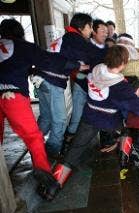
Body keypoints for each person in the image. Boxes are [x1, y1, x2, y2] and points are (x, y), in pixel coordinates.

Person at [42, 45, 139, 200]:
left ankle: (51, 190)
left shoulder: (96, 69)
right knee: (127, 131)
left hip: (89, 117)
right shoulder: (121, 86)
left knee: (73, 152)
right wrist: (137, 94)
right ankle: (124, 162)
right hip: (110, 122)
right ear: (124, 63)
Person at [0, 18, 86, 200]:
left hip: (11, 90)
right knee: (34, 138)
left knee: (45, 119)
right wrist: (77, 65)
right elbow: (49, 61)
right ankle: (46, 178)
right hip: (12, 95)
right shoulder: (23, 46)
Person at [36, 13, 94, 158]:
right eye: (90, 27)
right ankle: (53, 150)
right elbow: (92, 55)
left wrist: (80, 67)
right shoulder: (75, 38)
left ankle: (34, 144)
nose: (91, 31)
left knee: (46, 118)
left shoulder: (66, 38)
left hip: (40, 78)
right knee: (60, 119)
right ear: (82, 27)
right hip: (52, 79)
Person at [66, 19, 109, 143]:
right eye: (102, 31)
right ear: (94, 32)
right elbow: (77, 65)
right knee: (77, 116)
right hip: (82, 86)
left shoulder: (107, 49)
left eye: (107, 31)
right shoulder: (84, 45)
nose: (105, 34)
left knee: (99, 116)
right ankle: (67, 143)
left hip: (97, 89)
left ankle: (98, 144)